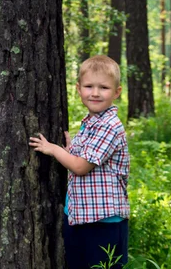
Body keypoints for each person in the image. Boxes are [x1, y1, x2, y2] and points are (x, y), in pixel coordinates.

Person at [29, 55, 129, 269]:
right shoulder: (91, 123)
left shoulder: (110, 126)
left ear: (116, 92)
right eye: (89, 86)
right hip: (80, 216)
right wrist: (70, 150)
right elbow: (80, 158)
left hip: (103, 222)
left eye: (103, 87)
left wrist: (54, 149)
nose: (95, 93)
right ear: (78, 89)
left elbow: (80, 167)